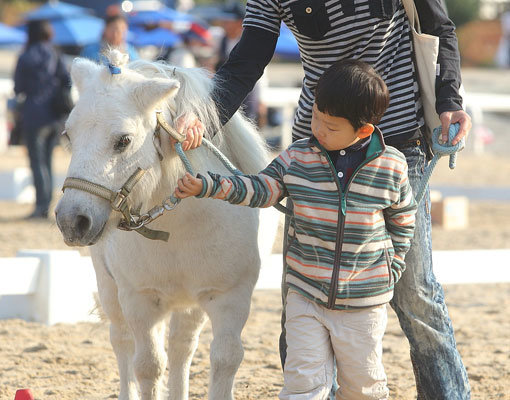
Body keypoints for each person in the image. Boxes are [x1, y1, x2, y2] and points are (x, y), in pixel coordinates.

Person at [177, 1, 473, 398]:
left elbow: (441, 27)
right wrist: (203, 112)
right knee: (303, 291)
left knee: (416, 295)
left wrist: (450, 99)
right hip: (315, 145)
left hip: (399, 142)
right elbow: (247, 59)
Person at [175, 59, 418, 399]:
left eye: (331, 127)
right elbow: (260, 188)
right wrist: (208, 185)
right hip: (305, 297)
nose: (318, 129)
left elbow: (404, 220)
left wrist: (393, 267)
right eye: (316, 117)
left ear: (363, 130)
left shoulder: (392, 166)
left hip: (364, 304)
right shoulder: (298, 157)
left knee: (364, 387)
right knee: (303, 382)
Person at [13, 19, 71, 219]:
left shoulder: (25, 56)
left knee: (37, 163)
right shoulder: (56, 53)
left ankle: (41, 206)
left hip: (33, 115)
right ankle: (48, 203)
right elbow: (66, 79)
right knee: (48, 161)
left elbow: (18, 87)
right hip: (54, 116)